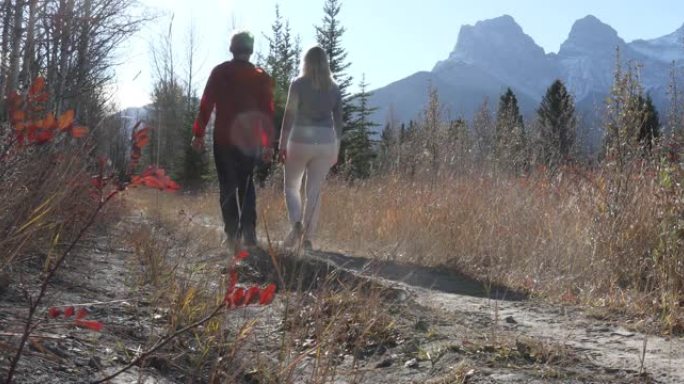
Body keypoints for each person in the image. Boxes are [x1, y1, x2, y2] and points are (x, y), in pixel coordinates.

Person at [191, 31, 275, 248]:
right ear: (251, 49)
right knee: (246, 185)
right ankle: (249, 236)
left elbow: (206, 104)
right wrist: (267, 144)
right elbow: (267, 113)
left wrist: (198, 134)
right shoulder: (261, 76)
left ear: (232, 47)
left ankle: (232, 237)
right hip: (250, 141)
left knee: (227, 186)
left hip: (224, 138)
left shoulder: (220, 72)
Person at [278, 46, 342, 250]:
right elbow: (339, 123)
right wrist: (336, 150)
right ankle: (308, 238)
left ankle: (296, 223)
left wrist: (281, 144)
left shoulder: (297, 85)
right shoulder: (334, 88)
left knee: (291, 187)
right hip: (325, 142)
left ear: (305, 62)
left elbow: (288, 117)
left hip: (299, 140)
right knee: (314, 191)